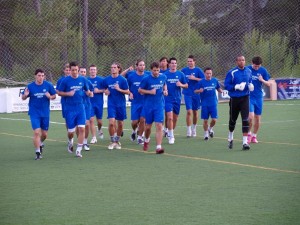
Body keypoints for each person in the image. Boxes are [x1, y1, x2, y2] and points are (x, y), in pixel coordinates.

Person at [57, 61, 93, 158]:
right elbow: (59, 92)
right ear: (70, 70)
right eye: (72, 70)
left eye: (76, 70)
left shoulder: (83, 79)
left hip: (80, 107)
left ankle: (78, 150)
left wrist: (89, 93)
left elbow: (87, 90)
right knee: (71, 132)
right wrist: (68, 94)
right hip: (69, 108)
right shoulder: (65, 81)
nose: (74, 72)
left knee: (82, 128)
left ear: (78, 70)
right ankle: (70, 141)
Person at [21, 69, 56, 160]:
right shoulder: (30, 86)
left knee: (44, 134)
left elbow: (54, 96)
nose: (41, 77)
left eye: (42, 75)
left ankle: (40, 143)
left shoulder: (48, 85)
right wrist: (25, 95)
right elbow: (23, 98)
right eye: (39, 75)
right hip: (34, 113)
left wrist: (50, 97)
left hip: (45, 113)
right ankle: (37, 152)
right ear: (35, 76)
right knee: (37, 132)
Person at [224, 55, 254, 150]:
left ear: (245, 61)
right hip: (234, 99)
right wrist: (235, 87)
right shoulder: (232, 72)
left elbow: (250, 81)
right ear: (236, 62)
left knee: (246, 119)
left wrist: (250, 86)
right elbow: (226, 85)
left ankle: (245, 143)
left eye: (243, 60)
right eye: (240, 60)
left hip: (245, 98)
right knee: (233, 120)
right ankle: (230, 137)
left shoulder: (249, 71)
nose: (241, 62)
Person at [138, 61, 168, 154]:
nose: (156, 72)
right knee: (148, 128)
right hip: (148, 106)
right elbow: (140, 90)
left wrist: (165, 90)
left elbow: (164, 84)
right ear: (151, 70)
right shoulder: (146, 79)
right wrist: (150, 92)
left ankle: (158, 147)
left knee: (159, 126)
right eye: (154, 70)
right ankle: (146, 140)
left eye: (158, 70)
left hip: (159, 105)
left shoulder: (163, 77)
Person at [103, 63, 130, 150]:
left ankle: (117, 141)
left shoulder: (122, 80)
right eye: (112, 68)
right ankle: (112, 141)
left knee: (121, 124)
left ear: (119, 69)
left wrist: (119, 89)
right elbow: (104, 88)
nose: (113, 69)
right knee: (111, 123)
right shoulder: (107, 79)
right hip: (111, 104)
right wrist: (105, 91)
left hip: (121, 104)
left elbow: (127, 91)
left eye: (115, 67)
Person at [164, 57, 188, 144]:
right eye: (172, 63)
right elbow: (162, 84)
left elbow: (186, 85)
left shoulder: (181, 74)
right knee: (169, 117)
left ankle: (170, 131)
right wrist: (164, 90)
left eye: (175, 63)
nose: (174, 65)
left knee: (175, 118)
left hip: (177, 99)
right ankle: (171, 136)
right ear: (169, 64)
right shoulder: (165, 75)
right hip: (167, 99)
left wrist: (181, 84)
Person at [194, 67, 222, 140]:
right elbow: (195, 91)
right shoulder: (201, 82)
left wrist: (220, 91)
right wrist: (199, 91)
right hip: (204, 104)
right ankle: (206, 134)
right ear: (204, 74)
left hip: (213, 103)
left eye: (210, 73)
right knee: (205, 120)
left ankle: (210, 128)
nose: (209, 75)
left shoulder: (215, 80)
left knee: (214, 119)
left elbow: (218, 88)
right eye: (207, 73)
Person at [247, 56, 271, 143]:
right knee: (250, 117)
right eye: (255, 66)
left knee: (257, 119)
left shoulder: (263, 70)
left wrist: (262, 80)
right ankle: (248, 134)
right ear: (252, 63)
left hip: (259, 97)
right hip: (249, 97)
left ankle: (254, 136)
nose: (257, 67)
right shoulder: (247, 69)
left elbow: (268, 84)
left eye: (258, 66)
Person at [127, 59, 151, 145]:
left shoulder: (148, 75)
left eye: (143, 65)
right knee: (134, 122)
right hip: (135, 102)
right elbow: (126, 87)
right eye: (140, 65)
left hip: (145, 102)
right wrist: (129, 93)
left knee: (143, 120)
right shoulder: (131, 76)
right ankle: (134, 131)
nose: (142, 67)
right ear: (136, 66)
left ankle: (140, 137)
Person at [181, 55, 205, 137]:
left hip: (196, 93)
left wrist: (195, 78)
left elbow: (204, 79)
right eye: (188, 61)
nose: (189, 63)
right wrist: (182, 84)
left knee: (195, 112)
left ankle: (194, 128)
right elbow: (180, 79)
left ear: (194, 62)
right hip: (187, 93)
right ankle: (188, 130)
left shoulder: (198, 70)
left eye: (191, 61)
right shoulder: (184, 70)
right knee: (189, 111)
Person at [87, 64, 105, 144]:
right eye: (91, 69)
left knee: (99, 121)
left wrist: (99, 91)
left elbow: (106, 90)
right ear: (89, 71)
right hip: (90, 103)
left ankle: (99, 129)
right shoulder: (86, 80)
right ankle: (94, 137)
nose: (93, 71)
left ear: (96, 71)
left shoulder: (101, 80)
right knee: (91, 120)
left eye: (94, 69)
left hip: (99, 103)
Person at [79, 67, 94, 151]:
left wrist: (89, 93)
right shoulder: (76, 82)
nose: (83, 73)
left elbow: (92, 93)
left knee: (87, 124)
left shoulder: (88, 82)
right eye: (81, 72)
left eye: (84, 72)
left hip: (87, 105)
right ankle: (79, 141)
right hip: (77, 106)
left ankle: (85, 141)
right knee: (79, 126)